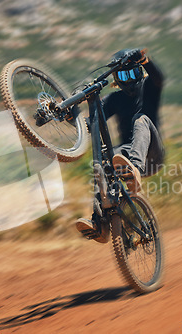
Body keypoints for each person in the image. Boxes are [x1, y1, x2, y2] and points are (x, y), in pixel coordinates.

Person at [75, 48, 165, 243]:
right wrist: (70, 118)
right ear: (117, 78)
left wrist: (143, 59)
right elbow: (92, 123)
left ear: (140, 72)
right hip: (126, 156)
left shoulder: (149, 87)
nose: (130, 80)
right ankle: (100, 223)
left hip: (152, 154)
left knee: (141, 119)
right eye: (124, 75)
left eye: (134, 73)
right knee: (102, 161)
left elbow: (159, 78)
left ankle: (135, 169)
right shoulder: (114, 99)